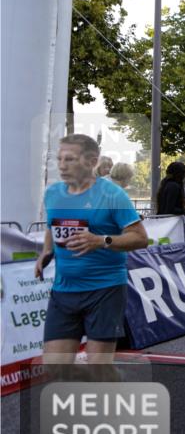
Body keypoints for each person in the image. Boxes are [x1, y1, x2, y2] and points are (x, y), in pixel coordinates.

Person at [37, 134, 148, 372]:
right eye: (59, 159)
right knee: (55, 367)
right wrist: (46, 252)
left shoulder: (113, 195)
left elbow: (140, 238)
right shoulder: (53, 193)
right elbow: (51, 226)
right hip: (64, 290)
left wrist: (102, 240)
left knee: (98, 368)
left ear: (91, 161)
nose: (62, 165)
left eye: (70, 159)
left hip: (105, 289)